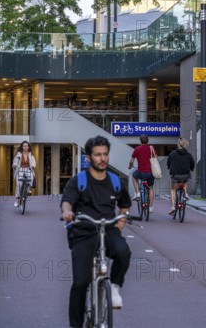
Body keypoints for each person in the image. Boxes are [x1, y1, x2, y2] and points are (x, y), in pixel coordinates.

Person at [61, 135, 131, 328]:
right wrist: (67, 212)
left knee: (123, 252)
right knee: (81, 283)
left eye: (105, 154)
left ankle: (115, 287)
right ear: (89, 157)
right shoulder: (79, 181)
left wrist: (120, 224)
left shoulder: (116, 182)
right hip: (83, 232)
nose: (102, 159)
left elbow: (124, 205)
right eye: (98, 155)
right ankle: (76, 325)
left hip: (108, 229)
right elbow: (67, 201)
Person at [128, 134, 156, 213]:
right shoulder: (151, 148)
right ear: (147, 141)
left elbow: (132, 161)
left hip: (140, 172)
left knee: (134, 176)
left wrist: (130, 166)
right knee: (150, 188)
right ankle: (150, 207)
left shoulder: (137, 149)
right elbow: (156, 158)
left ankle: (137, 193)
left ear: (140, 140)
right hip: (150, 172)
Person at [167, 137, 195, 215]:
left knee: (173, 189)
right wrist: (191, 169)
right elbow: (192, 164)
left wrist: (169, 168)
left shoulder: (173, 153)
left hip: (176, 176)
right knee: (185, 181)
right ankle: (185, 194)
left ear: (178, 144)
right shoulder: (188, 154)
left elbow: (168, 162)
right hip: (185, 175)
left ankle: (173, 207)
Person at [12, 140, 36, 207]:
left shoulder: (31, 154)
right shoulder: (19, 154)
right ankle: (17, 199)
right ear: (22, 147)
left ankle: (28, 188)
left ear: (28, 147)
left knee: (31, 177)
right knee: (19, 184)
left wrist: (33, 166)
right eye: (24, 146)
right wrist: (15, 165)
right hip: (20, 169)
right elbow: (15, 162)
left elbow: (34, 162)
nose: (25, 147)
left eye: (26, 146)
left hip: (28, 169)